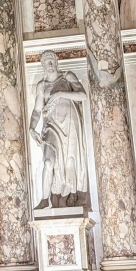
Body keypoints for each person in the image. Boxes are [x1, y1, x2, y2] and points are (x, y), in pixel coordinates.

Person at [28, 51, 89, 209]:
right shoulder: (42, 85)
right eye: (46, 61)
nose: (49, 63)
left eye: (52, 60)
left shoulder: (67, 76)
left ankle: (64, 197)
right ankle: (44, 199)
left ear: (56, 62)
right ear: (43, 65)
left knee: (69, 163)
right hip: (51, 126)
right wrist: (31, 128)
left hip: (69, 125)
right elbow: (37, 111)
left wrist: (60, 93)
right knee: (48, 162)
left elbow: (83, 95)